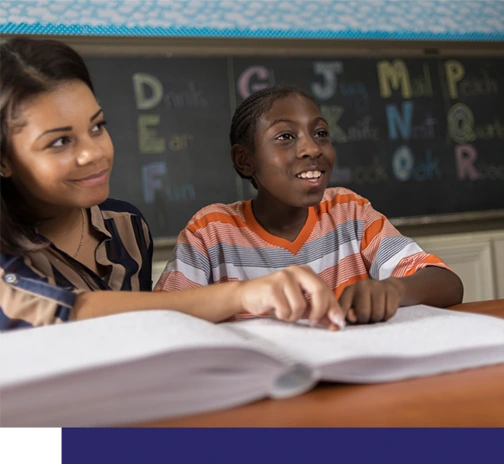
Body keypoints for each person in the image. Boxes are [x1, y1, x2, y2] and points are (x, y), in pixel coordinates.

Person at [0, 38, 345, 332]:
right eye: (60, 142)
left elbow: (147, 334)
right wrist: (242, 294)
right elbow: (71, 313)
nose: (94, 153)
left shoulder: (127, 227)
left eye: (97, 127)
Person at [156, 85, 464, 324]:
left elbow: (447, 283)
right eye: (286, 136)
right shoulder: (211, 232)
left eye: (320, 133)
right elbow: (165, 317)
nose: (311, 148)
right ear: (244, 160)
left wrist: (394, 290)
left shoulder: (349, 211)